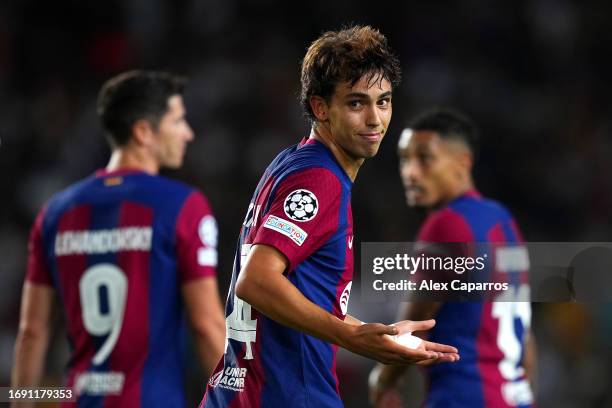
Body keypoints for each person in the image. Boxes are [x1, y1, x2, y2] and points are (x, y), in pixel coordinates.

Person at [201, 26, 459, 408]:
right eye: (356, 103)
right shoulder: (320, 180)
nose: (375, 119)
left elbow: (300, 297)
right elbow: (254, 281)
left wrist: (372, 333)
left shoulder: (290, 163)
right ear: (321, 107)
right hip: (286, 397)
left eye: (383, 101)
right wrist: (348, 337)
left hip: (238, 394)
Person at [11, 70, 226, 407]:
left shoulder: (55, 212)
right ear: (143, 132)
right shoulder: (182, 206)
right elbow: (206, 324)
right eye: (178, 121)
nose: (188, 132)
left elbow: (32, 332)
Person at [369, 109, 536, 407]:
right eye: (404, 159)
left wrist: (382, 380)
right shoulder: (503, 221)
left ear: (463, 163)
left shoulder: (447, 223)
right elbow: (526, 339)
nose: (411, 172)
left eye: (425, 158)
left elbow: (412, 325)